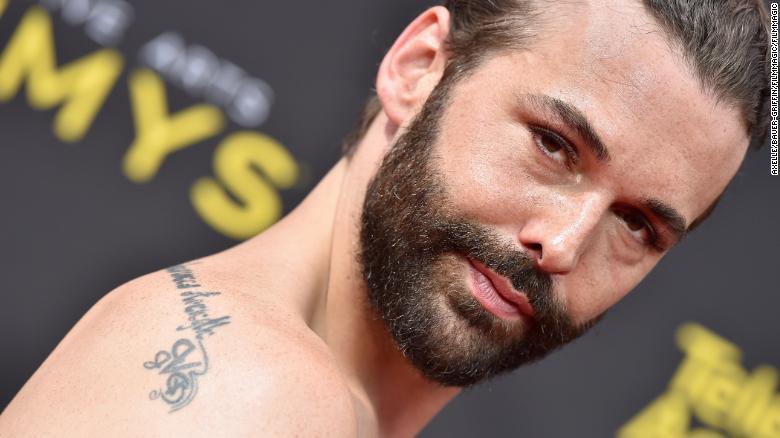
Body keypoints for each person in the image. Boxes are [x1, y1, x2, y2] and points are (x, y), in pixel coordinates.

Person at [0, 0, 770, 436]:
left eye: (638, 225)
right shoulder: (253, 393)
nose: (562, 245)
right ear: (419, 69)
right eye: (553, 145)